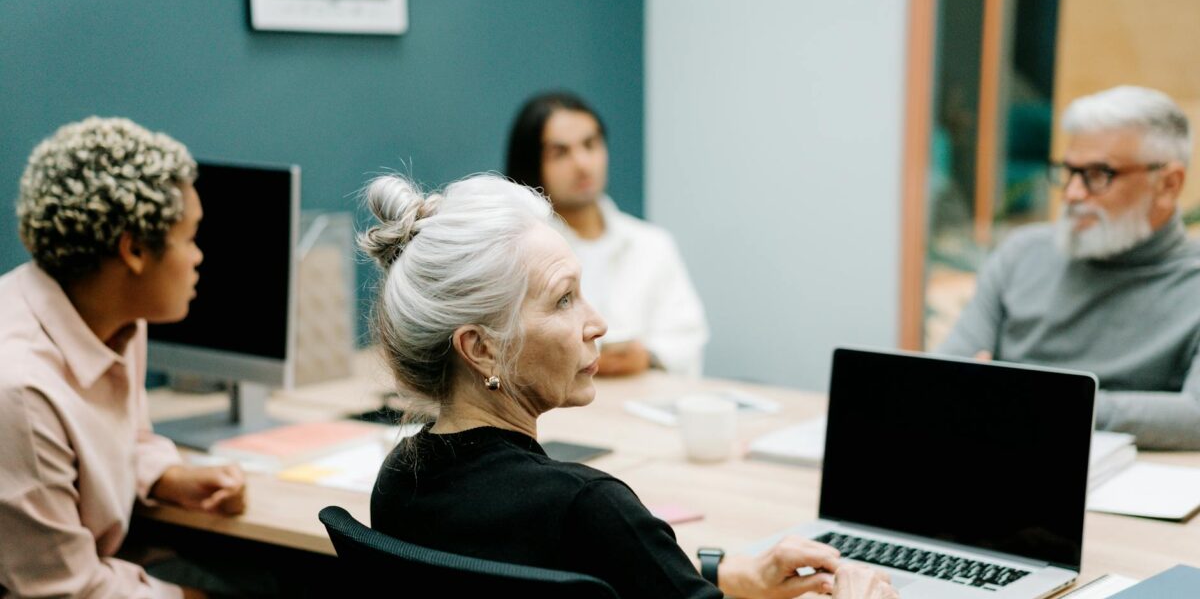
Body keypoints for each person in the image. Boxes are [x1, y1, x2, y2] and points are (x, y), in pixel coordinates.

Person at [363, 173, 897, 599]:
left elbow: (613, 576)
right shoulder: (587, 508)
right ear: (480, 348)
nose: (598, 323)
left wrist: (724, 574)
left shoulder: (397, 484)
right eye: (564, 300)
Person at [0, 117, 246, 598]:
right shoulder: (21, 391)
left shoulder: (111, 319)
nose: (199, 257)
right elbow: (63, 592)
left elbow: (121, 436)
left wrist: (167, 476)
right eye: (191, 237)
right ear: (133, 250)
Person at [938, 85, 1200, 450]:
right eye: (1069, 171)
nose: (1073, 194)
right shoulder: (1022, 253)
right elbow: (946, 373)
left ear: (1168, 184)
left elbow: (1195, 416)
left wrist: (1046, 402)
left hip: (1126, 478)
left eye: (1098, 174)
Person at [505, 92, 709, 377]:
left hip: (644, 403)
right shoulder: (518, 252)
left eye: (590, 144)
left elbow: (686, 336)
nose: (582, 163)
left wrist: (646, 357)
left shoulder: (652, 244)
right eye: (560, 152)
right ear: (533, 164)